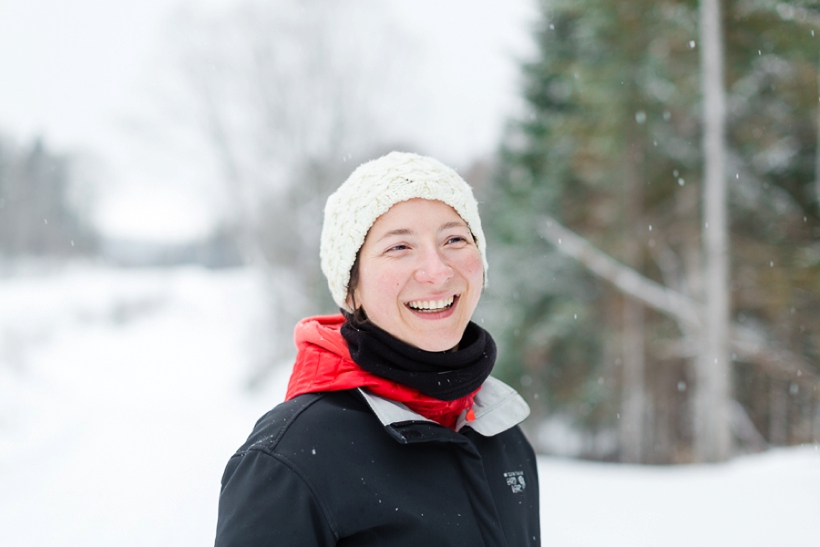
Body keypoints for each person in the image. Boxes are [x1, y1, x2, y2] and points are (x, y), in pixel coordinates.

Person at [214, 151, 540, 546]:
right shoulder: (290, 457)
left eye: (454, 239)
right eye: (400, 247)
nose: (436, 271)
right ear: (351, 289)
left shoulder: (502, 434)